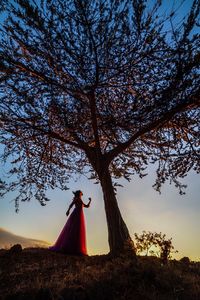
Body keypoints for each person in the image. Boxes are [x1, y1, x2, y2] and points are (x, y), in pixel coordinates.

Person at [49, 190, 91, 255]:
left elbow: (87, 206)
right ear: (78, 193)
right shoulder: (76, 199)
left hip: (80, 215)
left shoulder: (81, 200)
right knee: (72, 229)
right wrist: (68, 211)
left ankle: (76, 249)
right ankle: (67, 247)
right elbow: (71, 205)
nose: (81, 193)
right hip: (76, 214)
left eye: (81, 193)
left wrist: (90, 201)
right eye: (80, 193)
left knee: (78, 230)